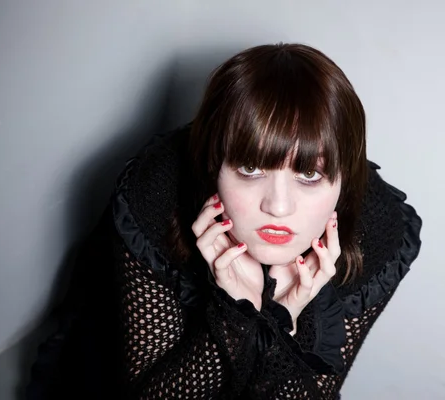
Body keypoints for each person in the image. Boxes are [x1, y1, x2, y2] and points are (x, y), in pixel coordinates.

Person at [25, 42, 423, 399]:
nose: (278, 207)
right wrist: (235, 311)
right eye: (250, 168)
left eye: (309, 176)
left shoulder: (379, 232)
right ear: (215, 166)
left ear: (344, 183)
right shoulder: (157, 194)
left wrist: (285, 321)